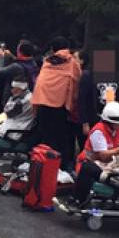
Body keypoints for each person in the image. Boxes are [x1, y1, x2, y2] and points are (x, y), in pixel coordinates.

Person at [32, 37, 82, 170]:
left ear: (53, 49)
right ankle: (61, 165)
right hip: (60, 105)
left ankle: (46, 163)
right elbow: (77, 82)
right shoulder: (72, 63)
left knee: (46, 135)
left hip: (42, 101)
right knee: (61, 137)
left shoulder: (47, 62)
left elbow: (40, 82)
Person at [70, 102, 119, 207]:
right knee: (87, 168)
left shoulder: (118, 130)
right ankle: (79, 200)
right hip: (89, 162)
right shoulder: (98, 131)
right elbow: (103, 155)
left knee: (89, 169)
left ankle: (78, 200)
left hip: (108, 166)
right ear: (109, 122)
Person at [0, 40, 39, 111]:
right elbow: (20, 61)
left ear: (20, 52)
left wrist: (1, 57)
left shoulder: (16, 67)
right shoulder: (33, 63)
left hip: (14, 100)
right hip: (28, 97)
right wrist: (12, 56)